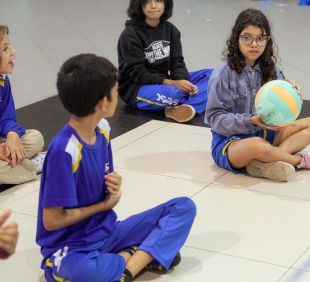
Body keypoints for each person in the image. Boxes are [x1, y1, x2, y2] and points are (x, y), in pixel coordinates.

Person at [36, 53, 196, 281]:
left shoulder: (102, 129)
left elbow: (103, 177)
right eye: (115, 91)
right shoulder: (64, 150)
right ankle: (139, 256)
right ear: (102, 102)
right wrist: (104, 204)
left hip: (107, 232)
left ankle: (126, 267)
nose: (118, 95)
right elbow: (51, 220)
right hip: (71, 248)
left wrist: (112, 184)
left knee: (183, 207)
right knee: (86, 272)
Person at [205, 8, 310, 182]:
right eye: (247, 38)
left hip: (265, 133)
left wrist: (290, 90)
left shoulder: (272, 69)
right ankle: (301, 161)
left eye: (260, 38)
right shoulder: (222, 74)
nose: (254, 44)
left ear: (267, 40)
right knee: (258, 146)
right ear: (236, 38)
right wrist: (249, 121)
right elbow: (215, 119)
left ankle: (270, 161)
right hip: (231, 143)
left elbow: (283, 106)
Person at [118, 0, 212, 123]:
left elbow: (177, 62)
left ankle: (184, 108)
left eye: (158, 0)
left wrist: (183, 81)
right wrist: (173, 84)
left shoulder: (171, 30)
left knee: (214, 76)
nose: (154, 6)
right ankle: (192, 102)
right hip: (138, 88)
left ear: (165, 3)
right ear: (139, 4)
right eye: (147, 1)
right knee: (175, 93)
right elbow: (137, 73)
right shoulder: (130, 35)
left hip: (166, 81)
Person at [0, 26, 45, 185]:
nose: (13, 52)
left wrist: (12, 133)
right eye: (5, 49)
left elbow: (7, 116)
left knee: (35, 138)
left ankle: (15, 163)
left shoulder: (3, 80)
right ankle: (34, 166)